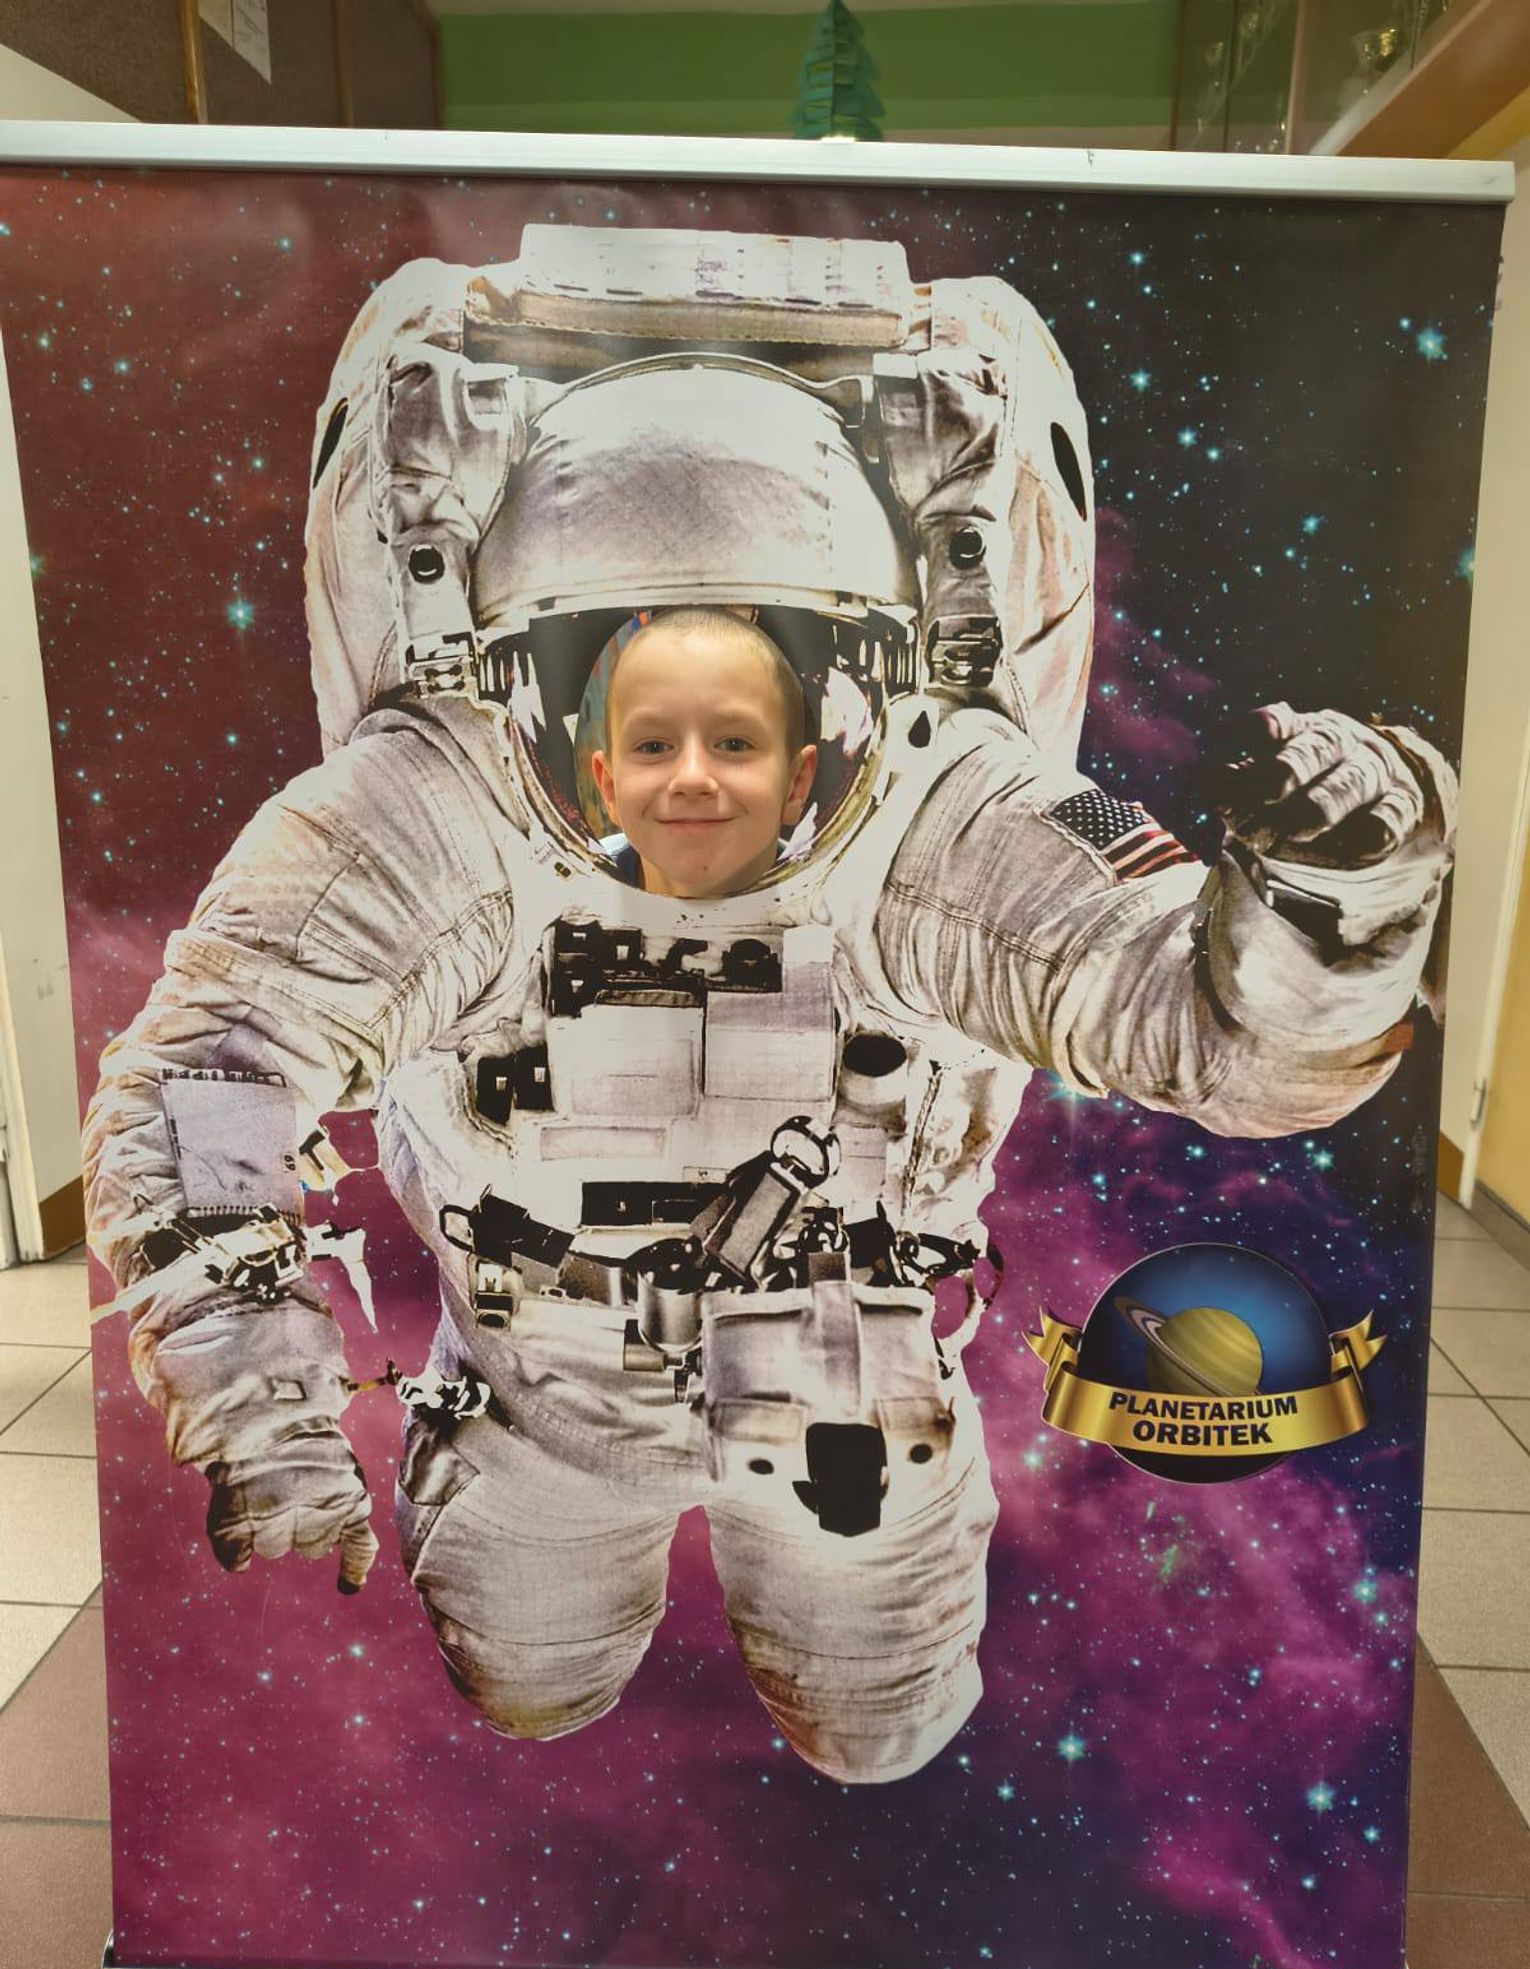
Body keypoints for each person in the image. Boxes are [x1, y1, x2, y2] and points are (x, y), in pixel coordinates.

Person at [83, 228, 1457, 1785]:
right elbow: (201, 1084)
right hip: (539, 1394)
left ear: (835, 711)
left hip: (845, 1396)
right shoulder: (426, 811)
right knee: (526, 1680)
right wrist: (256, 1404)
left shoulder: (949, 811)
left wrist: (1337, 894)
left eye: (742, 724)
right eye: (635, 718)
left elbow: (1228, 1042)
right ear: (544, 705)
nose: (691, 783)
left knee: (879, 1728)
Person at [590, 608, 818, 899]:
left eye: (734, 744)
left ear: (795, 785)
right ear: (610, 788)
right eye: (653, 747)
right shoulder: (558, 892)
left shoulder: (848, 910)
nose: (692, 778)